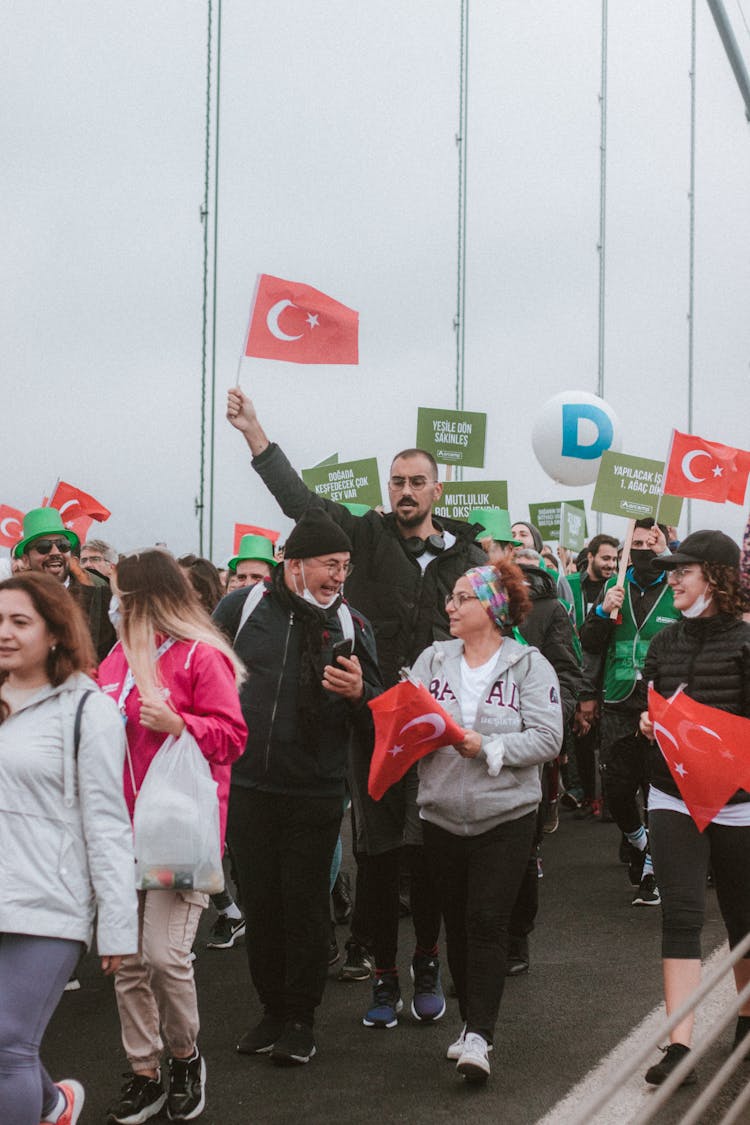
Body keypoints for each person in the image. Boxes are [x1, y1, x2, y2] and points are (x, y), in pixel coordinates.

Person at [226, 385, 486, 1026]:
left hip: (438, 728)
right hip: (370, 719)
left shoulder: (470, 556)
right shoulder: (363, 535)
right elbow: (302, 504)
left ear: (437, 491)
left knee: (427, 857)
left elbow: (489, 632)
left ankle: (427, 959)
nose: (405, 490)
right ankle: (381, 973)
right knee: (375, 857)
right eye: (397, 480)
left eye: (417, 481)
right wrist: (255, 433)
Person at [213, 509, 382, 1066]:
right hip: (248, 785)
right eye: (331, 565)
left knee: (305, 905)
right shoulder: (242, 607)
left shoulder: (353, 625)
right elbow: (205, 674)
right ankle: (271, 1009)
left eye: (346, 566)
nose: (340, 576)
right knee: (261, 903)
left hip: (315, 790)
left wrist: (360, 692)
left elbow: (379, 717)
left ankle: (302, 1019)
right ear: (294, 562)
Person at [100, 549, 247, 1124]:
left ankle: (185, 1059)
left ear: (146, 598)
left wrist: (182, 723)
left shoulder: (199, 657)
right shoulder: (115, 659)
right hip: (119, 834)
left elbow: (232, 738)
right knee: (127, 963)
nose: (113, 604)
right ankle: (143, 1071)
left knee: (164, 955)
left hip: (176, 832)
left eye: (120, 594)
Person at [410, 562, 563, 1081]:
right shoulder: (431, 660)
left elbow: (548, 739)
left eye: (460, 599)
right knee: (457, 923)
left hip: (507, 814)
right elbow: (403, 722)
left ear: (492, 607)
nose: (449, 607)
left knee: (487, 922)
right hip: (441, 815)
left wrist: (489, 746)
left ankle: (480, 1035)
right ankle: (469, 1024)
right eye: (450, 599)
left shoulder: (529, 665)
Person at [0, 572, 137, 1125]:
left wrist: (118, 925)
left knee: (8, 1045)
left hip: (49, 904)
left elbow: (107, 823)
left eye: (19, 621)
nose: (4, 633)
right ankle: (54, 1104)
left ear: (55, 631)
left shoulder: (87, 710)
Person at [637, 531, 750, 1086]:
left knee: (743, 918)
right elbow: (649, 702)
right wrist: (647, 719)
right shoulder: (663, 643)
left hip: (738, 804)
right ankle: (680, 1044)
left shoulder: (748, 644)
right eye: (671, 571)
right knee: (680, 914)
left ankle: (748, 1024)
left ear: (718, 576)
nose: (673, 579)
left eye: (684, 570)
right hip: (671, 795)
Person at [580, 519, 680, 906]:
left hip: (663, 703)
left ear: (665, 548)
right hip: (619, 701)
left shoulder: (676, 586)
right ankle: (638, 842)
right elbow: (590, 645)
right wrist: (603, 613)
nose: (642, 549)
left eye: (650, 544)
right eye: (635, 543)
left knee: (658, 789)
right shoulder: (613, 586)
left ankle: (653, 871)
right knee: (618, 788)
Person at [178, 554, 246, 952]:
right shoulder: (165, 638)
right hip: (181, 766)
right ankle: (230, 911)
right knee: (193, 848)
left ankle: (232, 911)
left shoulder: (213, 645)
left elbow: (228, 725)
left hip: (218, 762)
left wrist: (178, 723)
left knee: (218, 844)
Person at [13, 508, 116, 663]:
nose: (55, 552)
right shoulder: (12, 603)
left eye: (62, 545)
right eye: (43, 547)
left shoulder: (103, 599)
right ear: (26, 560)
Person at [567, 534, 619, 815]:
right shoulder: (571, 585)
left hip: (606, 675)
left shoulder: (618, 588)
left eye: (614, 559)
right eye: (605, 558)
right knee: (580, 737)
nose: (611, 564)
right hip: (576, 671)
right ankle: (584, 793)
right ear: (591, 556)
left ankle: (606, 799)